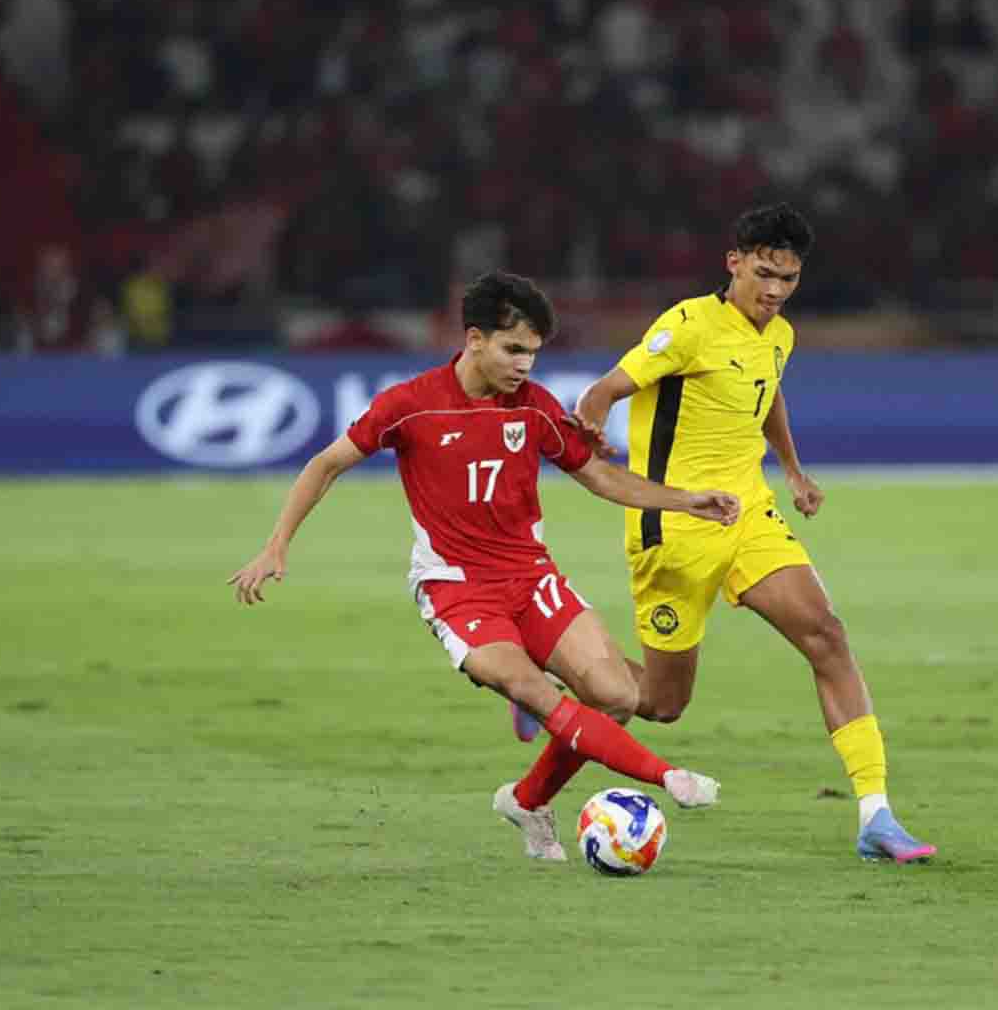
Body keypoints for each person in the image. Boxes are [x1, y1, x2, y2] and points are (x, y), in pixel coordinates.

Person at [229, 271, 740, 861]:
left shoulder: (535, 408)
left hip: (531, 576)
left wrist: (686, 500)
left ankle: (526, 801)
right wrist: (277, 543)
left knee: (617, 695)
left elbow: (600, 477)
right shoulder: (411, 405)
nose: (525, 365)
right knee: (534, 691)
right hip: (457, 588)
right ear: (475, 339)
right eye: (513, 349)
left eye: (533, 353)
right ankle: (668, 776)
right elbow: (326, 464)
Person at [561, 203, 937, 864]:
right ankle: (561, 670)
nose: (775, 290)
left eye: (788, 278)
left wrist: (791, 470)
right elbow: (604, 390)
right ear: (733, 262)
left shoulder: (779, 334)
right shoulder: (686, 327)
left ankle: (875, 814)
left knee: (827, 635)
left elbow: (768, 394)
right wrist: (590, 426)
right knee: (661, 703)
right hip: (675, 527)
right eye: (764, 274)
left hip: (749, 515)